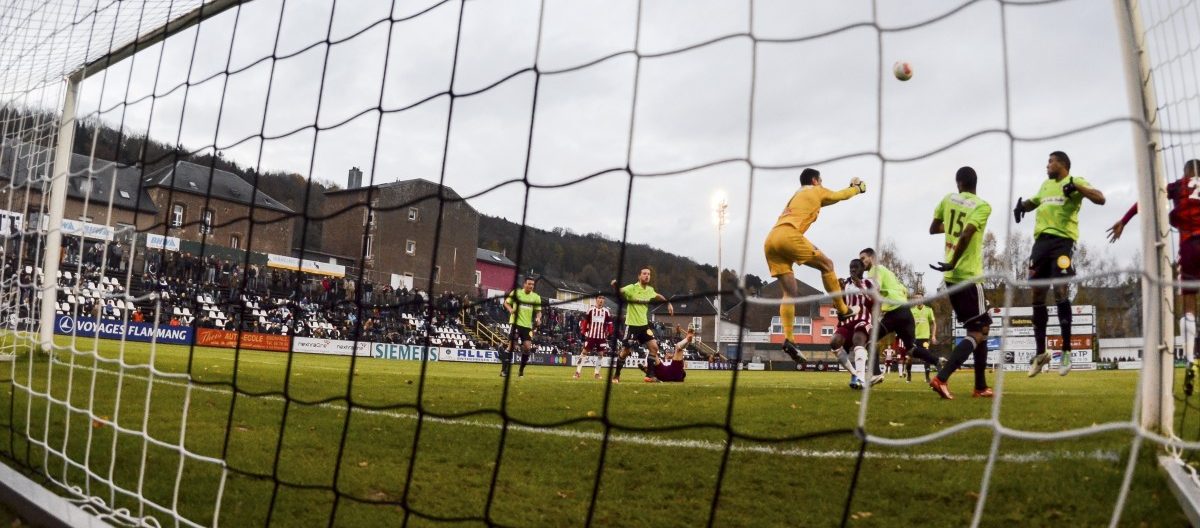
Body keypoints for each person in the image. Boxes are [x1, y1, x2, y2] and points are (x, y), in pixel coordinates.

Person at [1013, 151, 1106, 377]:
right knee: (1036, 294)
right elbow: (1034, 202)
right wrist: (1021, 206)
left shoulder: (1075, 181)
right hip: (1040, 245)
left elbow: (1100, 198)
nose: (1047, 165)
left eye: (1050, 161)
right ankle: (1040, 354)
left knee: (1060, 289)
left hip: (1063, 243)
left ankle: (1066, 351)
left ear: (1062, 164)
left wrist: (1077, 188)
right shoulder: (1045, 186)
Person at [763, 168, 865, 365]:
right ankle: (842, 309)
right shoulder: (815, 190)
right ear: (815, 180)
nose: (822, 183)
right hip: (789, 236)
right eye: (821, 180)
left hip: (771, 239)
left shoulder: (797, 194)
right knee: (827, 265)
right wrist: (856, 188)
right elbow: (839, 196)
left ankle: (789, 339)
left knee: (789, 292)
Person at [1108, 159, 1200, 366]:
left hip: (1190, 244)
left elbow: (1147, 200)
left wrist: (1124, 220)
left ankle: (1189, 360)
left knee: (1189, 303)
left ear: (1186, 173)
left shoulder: (1178, 186)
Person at [928, 166, 994, 399]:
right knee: (979, 330)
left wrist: (951, 240)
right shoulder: (982, 206)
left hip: (951, 279)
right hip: (967, 274)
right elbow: (966, 234)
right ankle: (942, 378)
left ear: (958, 183)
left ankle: (980, 386)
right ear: (976, 183)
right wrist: (955, 260)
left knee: (980, 328)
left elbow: (933, 228)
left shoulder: (948, 199)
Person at [858, 247, 944, 377]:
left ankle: (875, 374)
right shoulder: (888, 272)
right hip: (905, 313)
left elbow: (874, 290)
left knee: (869, 339)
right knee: (912, 348)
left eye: (863, 258)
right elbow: (902, 289)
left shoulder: (874, 270)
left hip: (895, 313)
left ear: (872, 258)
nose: (861, 262)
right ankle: (937, 361)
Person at [610, 266, 674, 383]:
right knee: (626, 352)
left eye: (648, 274)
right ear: (639, 276)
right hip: (632, 325)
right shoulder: (632, 288)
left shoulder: (649, 290)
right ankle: (616, 375)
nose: (647, 276)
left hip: (644, 326)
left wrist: (668, 303)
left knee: (654, 348)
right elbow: (620, 291)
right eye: (644, 273)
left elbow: (658, 296)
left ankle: (649, 375)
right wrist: (615, 286)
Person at [829, 258, 881, 389]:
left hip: (863, 319)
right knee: (834, 343)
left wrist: (860, 286)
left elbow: (874, 301)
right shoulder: (844, 283)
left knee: (858, 340)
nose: (852, 270)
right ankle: (855, 374)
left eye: (855, 267)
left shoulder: (869, 282)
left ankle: (861, 380)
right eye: (851, 267)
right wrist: (838, 298)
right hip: (847, 321)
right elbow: (837, 304)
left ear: (863, 269)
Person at [501, 276, 542, 378]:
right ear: (524, 284)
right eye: (529, 284)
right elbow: (506, 303)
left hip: (527, 326)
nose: (531, 286)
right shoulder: (516, 293)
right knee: (512, 346)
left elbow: (538, 311)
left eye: (532, 284)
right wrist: (510, 309)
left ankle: (521, 371)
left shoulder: (536, 297)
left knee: (528, 348)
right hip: (515, 323)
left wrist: (538, 318)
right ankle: (503, 371)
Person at [576, 296, 613, 380]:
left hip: (601, 337)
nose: (601, 300)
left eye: (603, 298)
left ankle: (596, 373)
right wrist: (583, 332)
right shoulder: (591, 310)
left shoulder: (606, 311)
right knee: (584, 352)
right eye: (599, 298)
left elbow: (610, 323)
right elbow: (585, 322)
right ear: (596, 299)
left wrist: (610, 333)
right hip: (591, 335)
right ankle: (578, 372)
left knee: (601, 354)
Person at [908, 299, 937, 383]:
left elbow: (934, 323)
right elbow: (908, 323)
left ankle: (927, 377)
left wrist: (933, 335)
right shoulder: (912, 310)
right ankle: (909, 375)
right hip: (914, 338)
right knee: (909, 357)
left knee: (926, 356)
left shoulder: (928, 309)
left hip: (925, 338)